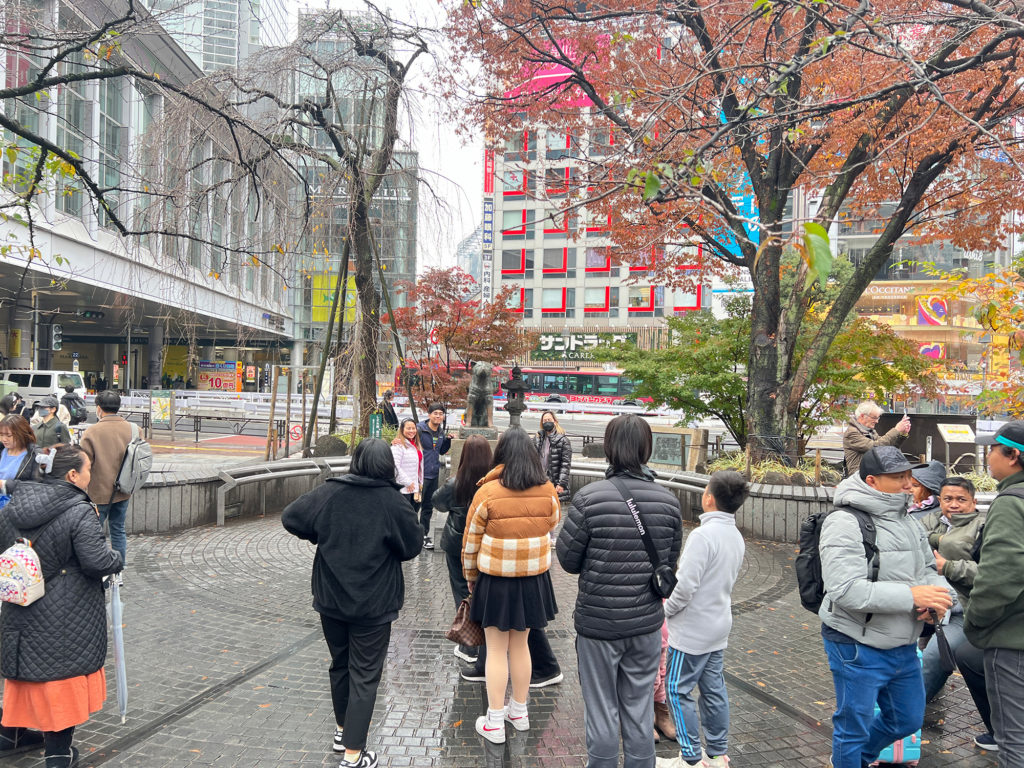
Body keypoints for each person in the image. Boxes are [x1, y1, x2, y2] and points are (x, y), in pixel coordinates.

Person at [281, 439, 423, 768]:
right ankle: (353, 754)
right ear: (388, 465)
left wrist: (321, 534)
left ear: (356, 461)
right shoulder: (393, 501)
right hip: (374, 604)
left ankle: (343, 730)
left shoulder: (331, 491)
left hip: (331, 598)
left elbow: (292, 517)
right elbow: (412, 545)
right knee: (365, 675)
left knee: (341, 664)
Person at [557, 414, 682, 768]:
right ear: (646, 448)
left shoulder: (589, 499)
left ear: (609, 448)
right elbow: (668, 564)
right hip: (646, 626)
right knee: (639, 708)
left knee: (601, 711)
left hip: (598, 626)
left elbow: (567, 559)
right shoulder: (669, 502)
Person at [820, 445, 954, 768]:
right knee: (853, 727)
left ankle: (860, 758)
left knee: (907, 718)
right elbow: (845, 590)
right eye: (898, 477)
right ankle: (850, 759)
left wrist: (935, 599)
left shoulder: (907, 519)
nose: (909, 484)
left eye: (909, 476)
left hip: (903, 642)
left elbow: (927, 568)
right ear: (872, 481)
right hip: (856, 643)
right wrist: (913, 597)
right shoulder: (844, 521)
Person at [0, 444, 123, 767]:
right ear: (72, 475)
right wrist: (116, 558)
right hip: (65, 610)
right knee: (60, 677)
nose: (89, 475)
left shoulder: (13, 506)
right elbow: (97, 561)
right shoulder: (78, 510)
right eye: (87, 469)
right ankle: (58, 754)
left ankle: (10, 736)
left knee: (24, 672)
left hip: (20, 602)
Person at [462, 427, 559, 744]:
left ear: (500, 454)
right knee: (521, 646)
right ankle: (519, 711)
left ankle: (494, 720)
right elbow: (552, 523)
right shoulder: (547, 490)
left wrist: (470, 577)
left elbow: (471, 542)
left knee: (495, 650)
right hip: (533, 580)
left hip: (496, 580)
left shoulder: (487, 492)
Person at [657, 471, 748, 768]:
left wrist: (665, 611)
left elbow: (684, 588)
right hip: (718, 624)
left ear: (709, 498)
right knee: (713, 690)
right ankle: (717, 754)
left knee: (676, 689)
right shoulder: (735, 536)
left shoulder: (702, 536)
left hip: (692, 630)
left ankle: (691, 758)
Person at [917, 476, 995, 750]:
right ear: (939, 500)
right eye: (948, 499)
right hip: (923, 602)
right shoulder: (927, 521)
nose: (954, 505)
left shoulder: (983, 527)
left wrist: (947, 565)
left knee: (935, 656)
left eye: (961, 499)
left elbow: (992, 572)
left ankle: (906, 714)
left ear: (974, 501)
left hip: (962, 610)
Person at [965, 421, 1024, 766]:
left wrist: (975, 621)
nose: (988, 457)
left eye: (992, 450)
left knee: (1014, 742)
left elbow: (1001, 575)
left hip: (1013, 640)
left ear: (1013, 455)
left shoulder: (1012, 502)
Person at [434, 435, 493, 663]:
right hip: (486, 545)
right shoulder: (493, 484)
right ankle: (488, 643)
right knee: (484, 592)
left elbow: (437, 502)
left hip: (457, 544)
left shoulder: (455, 483)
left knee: (461, 591)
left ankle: (469, 646)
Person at [79, 391, 134, 567]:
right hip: (124, 490)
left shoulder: (92, 432)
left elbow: (84, 463)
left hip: (98, 492)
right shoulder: (134, 429)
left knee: (93, 532)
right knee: (118, 529)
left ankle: (96, 566)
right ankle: (119, 568)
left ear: (99, 408)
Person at [415, 403, 452, 550]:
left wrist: (448, 441)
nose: (438, 416)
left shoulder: (441, 432)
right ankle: (411, 535)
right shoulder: (420, 429)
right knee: (414, 506)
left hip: (433, 474)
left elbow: (441, 451)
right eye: (435, 413)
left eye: (441, 414)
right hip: (419, 474)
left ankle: (423, 535)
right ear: (429, 414)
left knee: (428, 507)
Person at [843, 401, 910, 478]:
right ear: (862, 416)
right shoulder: (852, 433)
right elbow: (876, 447)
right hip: (860, 477)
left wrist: (902, 434)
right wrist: (896, 429)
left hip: (872, 473)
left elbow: (889, 448)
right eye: (874, 418)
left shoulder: (870, 431)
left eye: (878, 418)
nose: (877, 421)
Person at [535, 410, 572, 504]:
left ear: (555, 422)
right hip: (539, 481)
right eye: (545, 420)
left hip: (554, 483)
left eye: (549, 420)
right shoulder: (538, 438)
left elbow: (565, 464)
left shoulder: (563, 441)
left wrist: (561, 484)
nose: (547, 422)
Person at [391, 418, 423, 516]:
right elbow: (395, 466)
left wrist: (420, 483)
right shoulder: (398, 446)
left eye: (413, 428)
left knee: (413, 515)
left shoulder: (416, 444)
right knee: (404, 516)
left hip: (415, 487)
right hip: (404, 488)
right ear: (402, 429)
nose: (411, 431)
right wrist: (408, 482)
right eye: (408, 428)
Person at [0, 415, 38, 496]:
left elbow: (37, 486)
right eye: (1, 435)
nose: (4, 439)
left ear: (21, 434)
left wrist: (5, 484)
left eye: (9, 436)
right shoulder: (2, 450)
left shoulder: (34, 455)